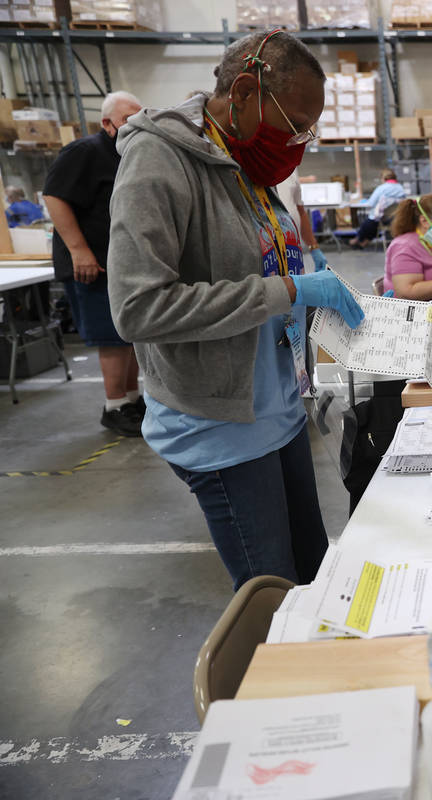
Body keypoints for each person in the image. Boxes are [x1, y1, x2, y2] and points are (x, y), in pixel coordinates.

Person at [107, 30, 365, 590]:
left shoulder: (243, 158)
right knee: (272, 598)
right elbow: (138, 307)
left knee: (314, 582)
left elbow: (261, 262)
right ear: (244, 92)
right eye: (296, 124)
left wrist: (310, 302)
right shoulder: (160, 159)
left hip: (279, 410)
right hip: (221, 424)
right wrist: (289, 293)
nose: (299, 140)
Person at [43, 90, 144, 437]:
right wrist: (79, 250)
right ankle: (115, 406)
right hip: (92, 264)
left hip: (119, 264)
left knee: (128, 333)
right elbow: (54, 197)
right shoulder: (85, 152)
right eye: (129, 119)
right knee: (111, 336)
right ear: (107, 123)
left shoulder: (127, 155)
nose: (137, 125)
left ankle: (132, 399)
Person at [382, 194, 432, 301]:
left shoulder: (430, 243)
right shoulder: (405, 246)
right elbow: (406, 292)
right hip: (412, 314)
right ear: (424, 221)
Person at [277, 169, 327, 271]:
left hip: (292, 248)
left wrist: (314, 247)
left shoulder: (291, 167)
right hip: (270, 249)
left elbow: (300, 211)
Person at [348, 169, 408, 248]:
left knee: (369, 221)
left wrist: (363, 201)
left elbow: (371, 203)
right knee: (372, 222)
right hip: (395, 218)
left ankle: (358, 240)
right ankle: (363, 242)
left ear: (383, 178)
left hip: (382, 219)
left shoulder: (381, 188)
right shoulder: (401, 188)